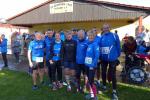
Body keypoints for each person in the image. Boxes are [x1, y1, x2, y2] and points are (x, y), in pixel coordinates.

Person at [100, 24, 121, 100]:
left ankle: (114, 90)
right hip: (103, 59)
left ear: (109, 28)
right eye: (104, 28)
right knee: (103, 72)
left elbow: (118, 46)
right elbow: (100, 47)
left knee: (112, 74)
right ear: (102, 29)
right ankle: (104, 86)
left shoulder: (114, 35)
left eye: (107, 28)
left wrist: (117, 55)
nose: (105, 29)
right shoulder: (101, 37)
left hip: (112, 58)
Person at [84, 30, 99, 99]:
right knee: (90, 81)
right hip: (87, 65)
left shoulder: (95, 44)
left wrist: (92, 65)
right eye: (89, 35)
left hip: (91, 67)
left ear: (94, 36)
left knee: (91, 81)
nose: (90, 37)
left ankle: (94, 95)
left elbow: (97, 56)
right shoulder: (89, 44)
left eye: (91, 36)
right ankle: (91, 94)